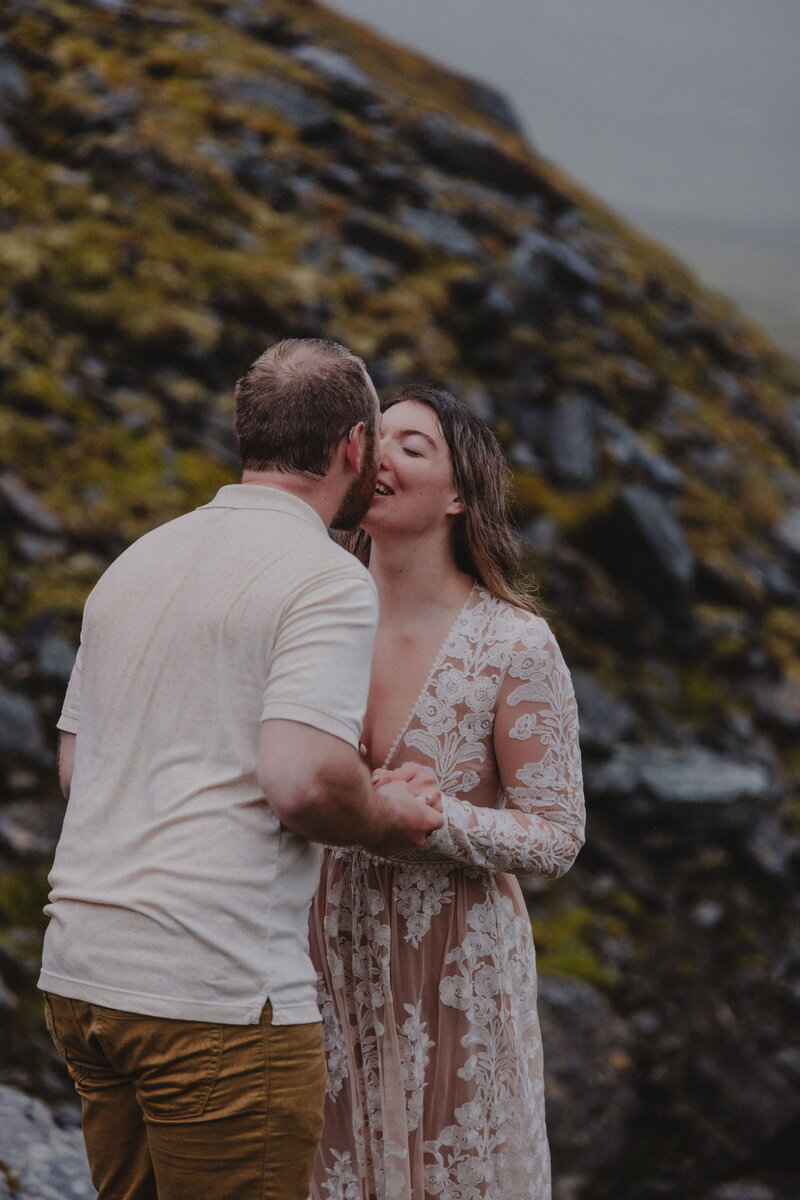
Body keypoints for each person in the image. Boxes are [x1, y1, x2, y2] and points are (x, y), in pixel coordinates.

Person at [37, 339, 443, 1200]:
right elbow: (301, 780)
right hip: (214, 994)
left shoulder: (137, 561)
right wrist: (389, 817)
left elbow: (79, 769)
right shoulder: (325, 579)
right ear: (352, 448)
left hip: (84, 976)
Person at [308, 386, 585, 1200]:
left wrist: (439, 818)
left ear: (460, 495)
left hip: (456, 977)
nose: (380, 455)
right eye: (376, 436)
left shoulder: (513, 642)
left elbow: (558, 834)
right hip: (320, 963)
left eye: (413, 446)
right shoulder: (312, 613)